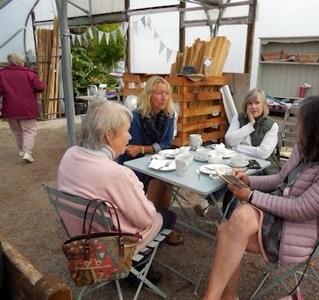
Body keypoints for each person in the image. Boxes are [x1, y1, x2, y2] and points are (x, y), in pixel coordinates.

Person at [202, 94, 319, 300]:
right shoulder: (308, 145)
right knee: (233, 225)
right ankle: (222, 297)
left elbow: (301, 208)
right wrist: (249, 181)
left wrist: (251, 196)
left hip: (307, 230)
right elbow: (281, 179)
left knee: (232, 227)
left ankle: (216, 297)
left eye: (302, 120)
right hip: (285, 212)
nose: (297, 124)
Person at [58, 100, 177, 284]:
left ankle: (136, 268)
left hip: (80, 236)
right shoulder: (116, 173)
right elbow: (146, 219)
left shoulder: (70, 155)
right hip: (111, 246)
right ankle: (137, 268)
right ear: (109, 135)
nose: (129, 137)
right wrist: (145, 201)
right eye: (126, 130)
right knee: (168, 216)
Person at [118, 75, 183, 245]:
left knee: (168, 180)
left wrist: (145, 148)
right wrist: (150, 148)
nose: (163, 97)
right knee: (157, 181)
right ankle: (149, 225)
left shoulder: (169, 115)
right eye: (159, 93)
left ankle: (162, 224)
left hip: (155, 160)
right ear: (149, 95)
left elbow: (167, 142)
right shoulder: (136, 116)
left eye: (167, 93)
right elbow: (133, 149)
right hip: (133, 164)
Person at [195, 88, 280, 218]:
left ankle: (209, 203)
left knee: (236, 177)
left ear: (263, 104)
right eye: (249, 103)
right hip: (236, 161)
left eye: (257, 103)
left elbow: (262, 153)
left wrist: (237, 148)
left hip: (260, 166)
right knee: (228, 174)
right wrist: (250, 125)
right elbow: (229, 139)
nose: (253, 107)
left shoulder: (272, 126)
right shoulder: (239, 118)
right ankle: (226, 217)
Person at [0, 52, 45, 163]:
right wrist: (41, 80)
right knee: (29, 130)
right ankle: (27, 152)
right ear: (21, 61)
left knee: (17, 131)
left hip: (10, 108)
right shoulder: (30, 74)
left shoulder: (2, 74)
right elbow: (40, 88)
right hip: (27, 107)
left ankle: (21, 150)